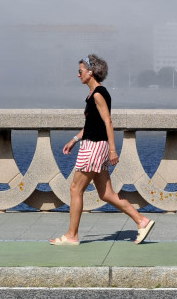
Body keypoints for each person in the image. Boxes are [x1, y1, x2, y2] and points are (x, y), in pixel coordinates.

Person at [50, 54, 155, 246]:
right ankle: (142, 221)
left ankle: (72, 235)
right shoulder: (93, 94)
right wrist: (74, 139)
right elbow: (93, 125)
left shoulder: (98, 93)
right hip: (94, 144)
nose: (78, 74)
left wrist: (113, 150)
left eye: (80, 71)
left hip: (94, 147)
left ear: (90, 72)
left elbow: (108, 121)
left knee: (75, 188)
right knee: (107, 194)